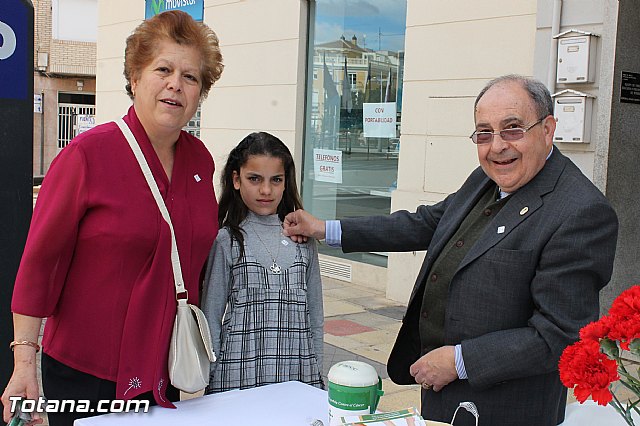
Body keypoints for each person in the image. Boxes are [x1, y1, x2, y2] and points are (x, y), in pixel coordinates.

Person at [283, 75, 618, 426]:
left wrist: (459, 361)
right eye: (484, 133)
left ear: (547, 129)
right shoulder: (488, 178)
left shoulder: (580, 212)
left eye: (513, 129)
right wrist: (326, 228)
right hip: (445, 397)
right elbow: (426, 223)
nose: (497, 146)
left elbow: (560, 335)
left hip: (505, 410)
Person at [1, 10, 223, 426]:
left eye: (191, 76)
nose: (176, 83)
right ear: (135, 78)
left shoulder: (200, 162)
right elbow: (40, 263)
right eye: (163, 69)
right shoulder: (87, 156)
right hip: (87, 375)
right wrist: (24, 361)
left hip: (165, 369)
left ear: (200, 92)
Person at [201, 132, 324, 394]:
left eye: (275, 180)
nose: (266, 190)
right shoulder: (227, 240)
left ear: (285, 182)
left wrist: (317, 369)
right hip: (236, 372)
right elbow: (211, 314)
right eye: (254, 179)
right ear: (236, 179)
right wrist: (210, 373)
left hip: (297, 372)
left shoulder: (303, 239)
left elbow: (315, 315)